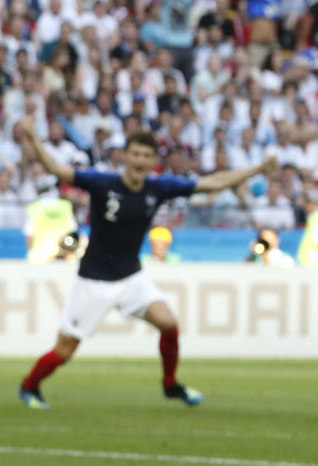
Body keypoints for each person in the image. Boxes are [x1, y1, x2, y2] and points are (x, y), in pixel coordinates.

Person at [17, 121, 276, 410]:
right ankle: (29, 386)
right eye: (136, 154)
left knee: (169, 324)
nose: (140, 160)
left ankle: (170, 384)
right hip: (94, 280)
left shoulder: (159, 187)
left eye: (146, 156)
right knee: (65, 351)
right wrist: (33, 138)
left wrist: (257, 170)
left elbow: (211, 183)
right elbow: (58, 170)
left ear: (154, 161)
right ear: (126, 156)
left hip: (131, 277)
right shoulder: (102, 183)